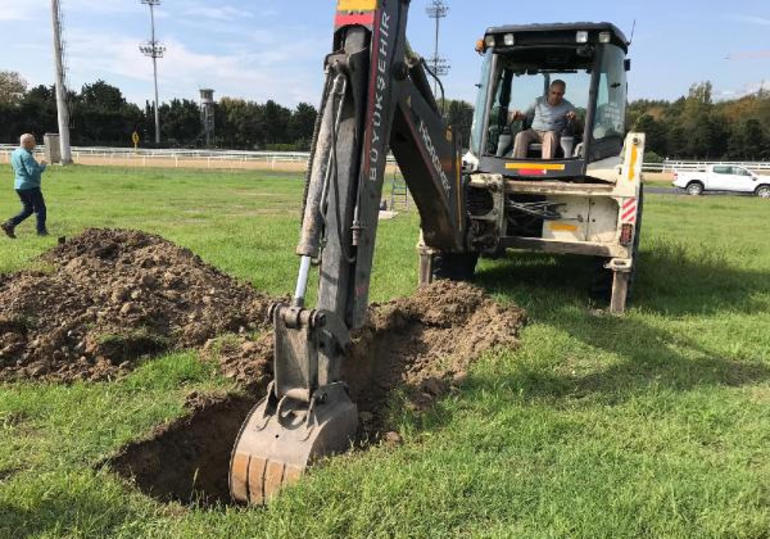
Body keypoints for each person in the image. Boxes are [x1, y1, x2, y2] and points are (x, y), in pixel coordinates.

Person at [510, 79, 577, 159]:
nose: (555, 96)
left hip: (552, 133)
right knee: (520, 136)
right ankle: (518, 164)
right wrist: (517, 115)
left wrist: (573, 117)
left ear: (563, 93)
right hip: (534, 131)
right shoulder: (538, 101)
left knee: (550, 136)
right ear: (549, 91)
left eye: (559, 94)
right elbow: (523, 115)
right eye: (553, 93)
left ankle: (546, 166)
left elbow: (576, 120)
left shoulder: (567, 106)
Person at [2, 133, 48, 239]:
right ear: (27, 143)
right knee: (40, 209)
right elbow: (33, 172)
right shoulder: (27, 155)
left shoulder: (15, 153)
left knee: (28, 209)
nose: (35, 144)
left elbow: (14, 168)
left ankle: (10, 223)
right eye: (33, 141)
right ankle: (41, 231)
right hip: (30, 186)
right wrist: (42, 166)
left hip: (19, 186)